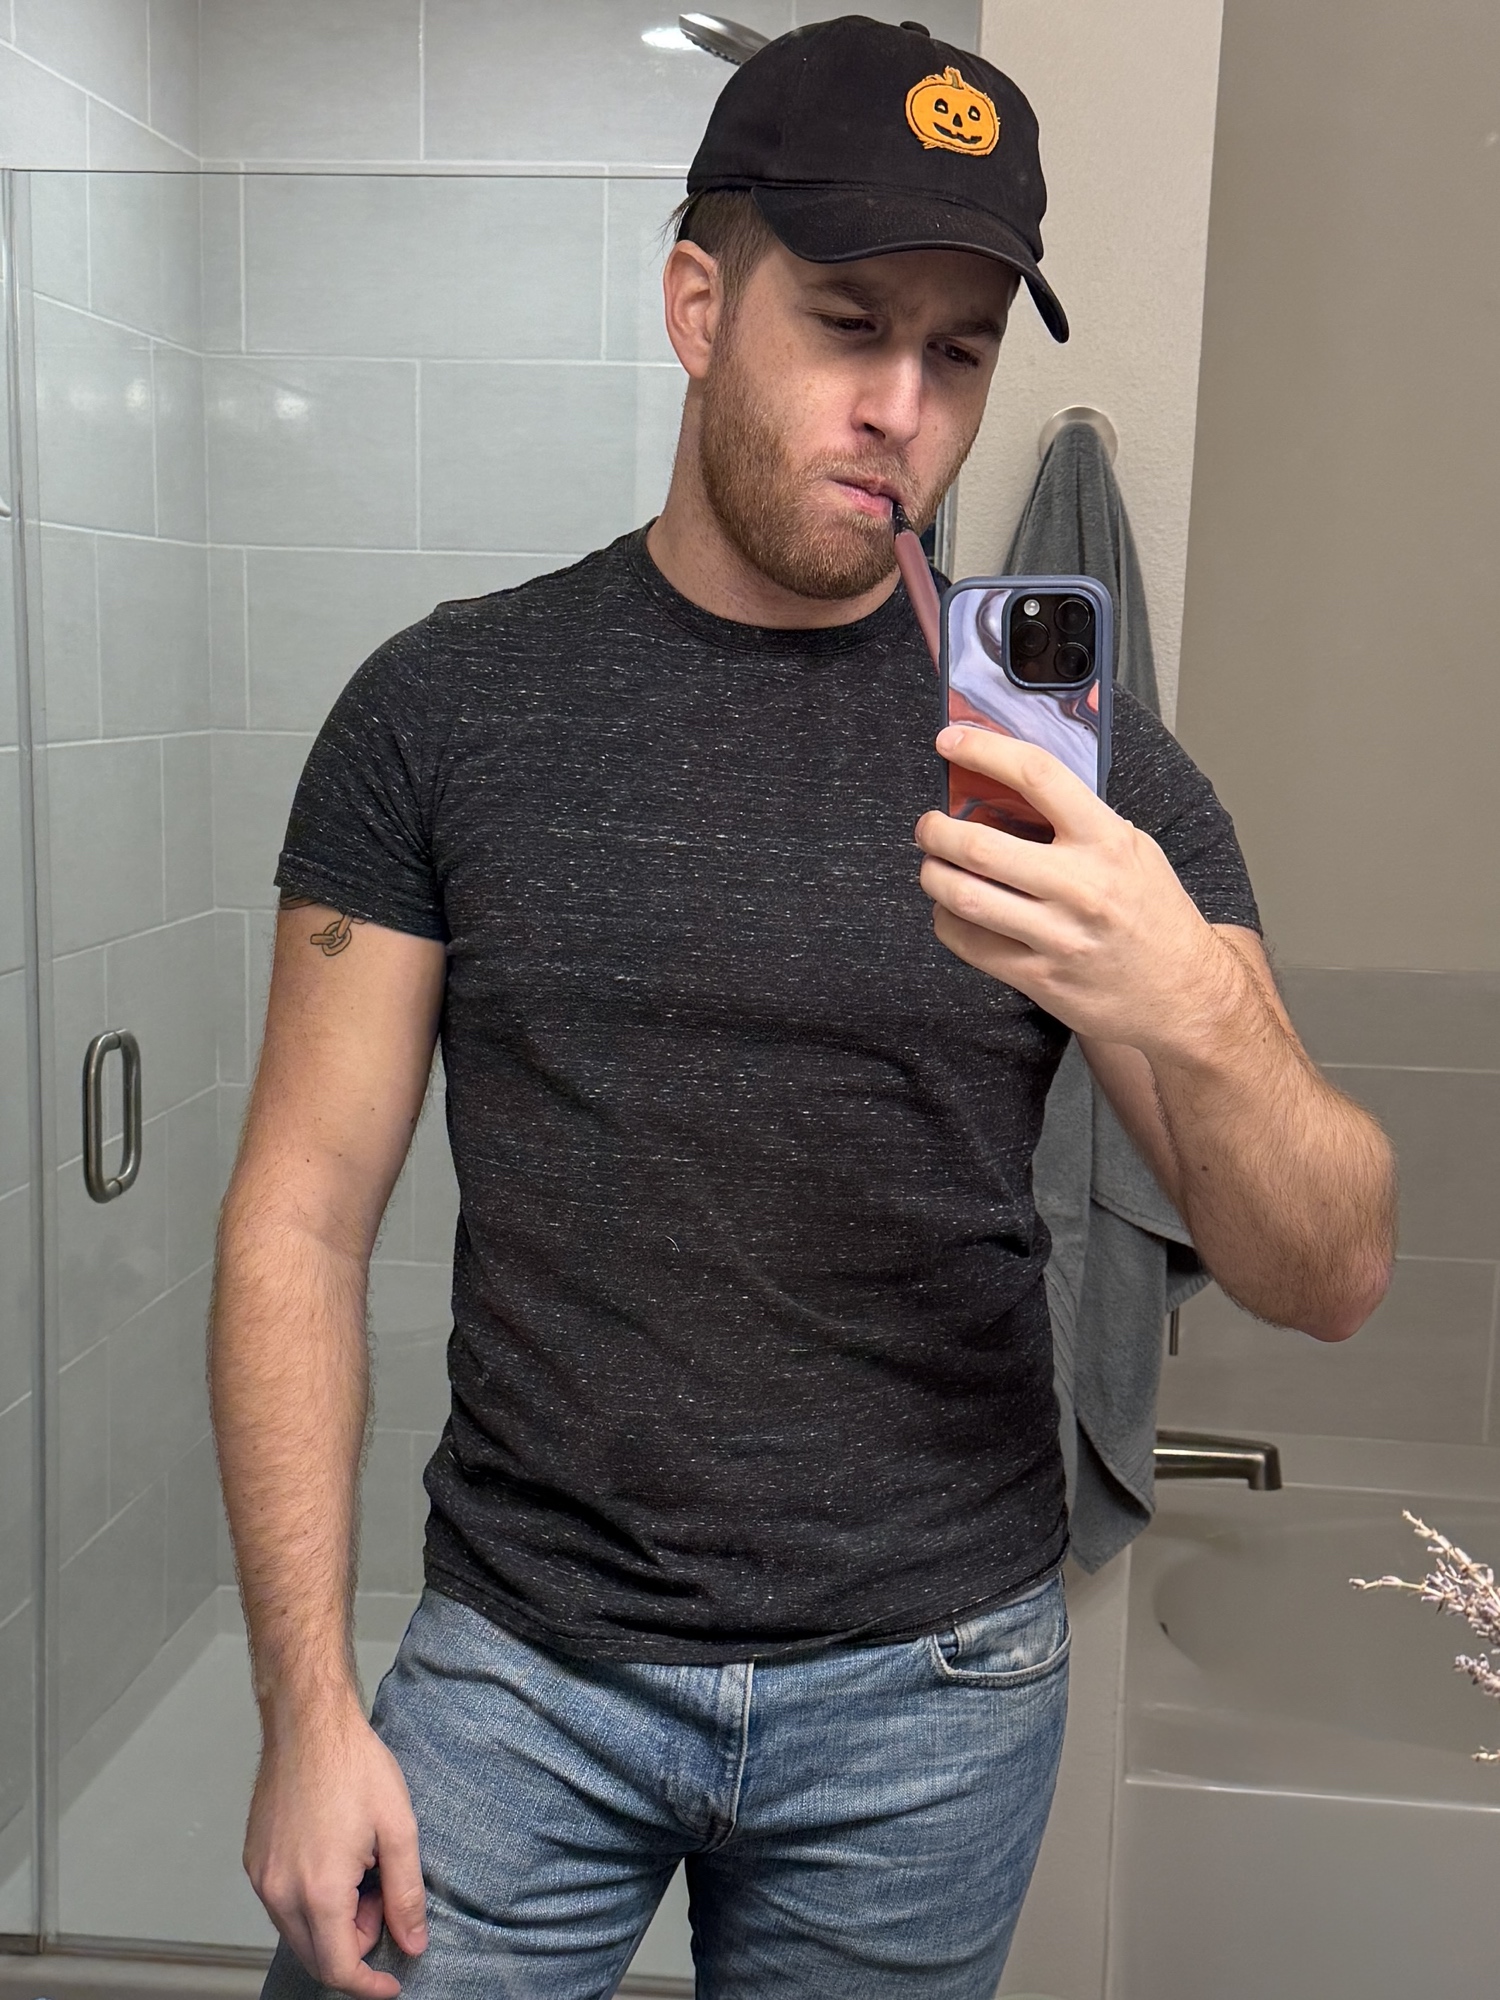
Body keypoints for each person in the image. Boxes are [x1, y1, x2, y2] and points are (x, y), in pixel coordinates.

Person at [211, 18, 1396, 2000]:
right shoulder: (446, 711)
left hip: (934, 1692)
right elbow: (299, 1217)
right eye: (848, 325)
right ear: (700, 304)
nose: (901, 411)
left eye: (959, 354)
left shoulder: (1076, 772)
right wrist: (307, 1711)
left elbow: (1330, 1270)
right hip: (520, 1671)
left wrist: (1187, 994)